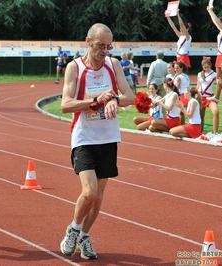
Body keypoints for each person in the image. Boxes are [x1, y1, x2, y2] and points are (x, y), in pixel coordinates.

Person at [59, 23, 135, 260]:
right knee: (90, 191)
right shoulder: (75, 68)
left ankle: (84, 234)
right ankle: (73, 229)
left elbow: (130, 96)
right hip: (84, 138)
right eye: (101, 45)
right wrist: (95, 101)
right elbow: (65, 105)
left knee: (99, 197)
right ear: (88, 41)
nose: (104, 50)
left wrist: (113, 98)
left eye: (108, 46)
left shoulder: (113, 65)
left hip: (108, 137)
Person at [207, 5, 222, 103]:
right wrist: (209, 11)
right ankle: (217, 96)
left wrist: (211, 11)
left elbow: (216, 21)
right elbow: (215, 21)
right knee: (218, 78)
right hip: (220, 55)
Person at [197, 56, 219, 133]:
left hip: (210, 97)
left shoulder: (214, 74)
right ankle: (199, 132)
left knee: (216, 111)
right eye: (205, 67)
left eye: (208, 67)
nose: (206, 69)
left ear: (210, 66)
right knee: (200, 116)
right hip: (200, 97)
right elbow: (198, 86)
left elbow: (219, 84)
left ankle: (215, 132)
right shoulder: (199, 74)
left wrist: (217, 95)